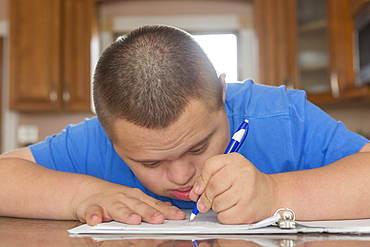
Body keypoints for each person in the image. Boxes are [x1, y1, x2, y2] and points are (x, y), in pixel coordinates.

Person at [0, 25, 369, 226]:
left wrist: (274, 195)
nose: (180, 176)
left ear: (223, 94)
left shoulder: (281, 116)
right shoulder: (98, 139)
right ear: (109, 134)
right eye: (150, 162)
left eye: (197, 147)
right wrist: (78, 195)